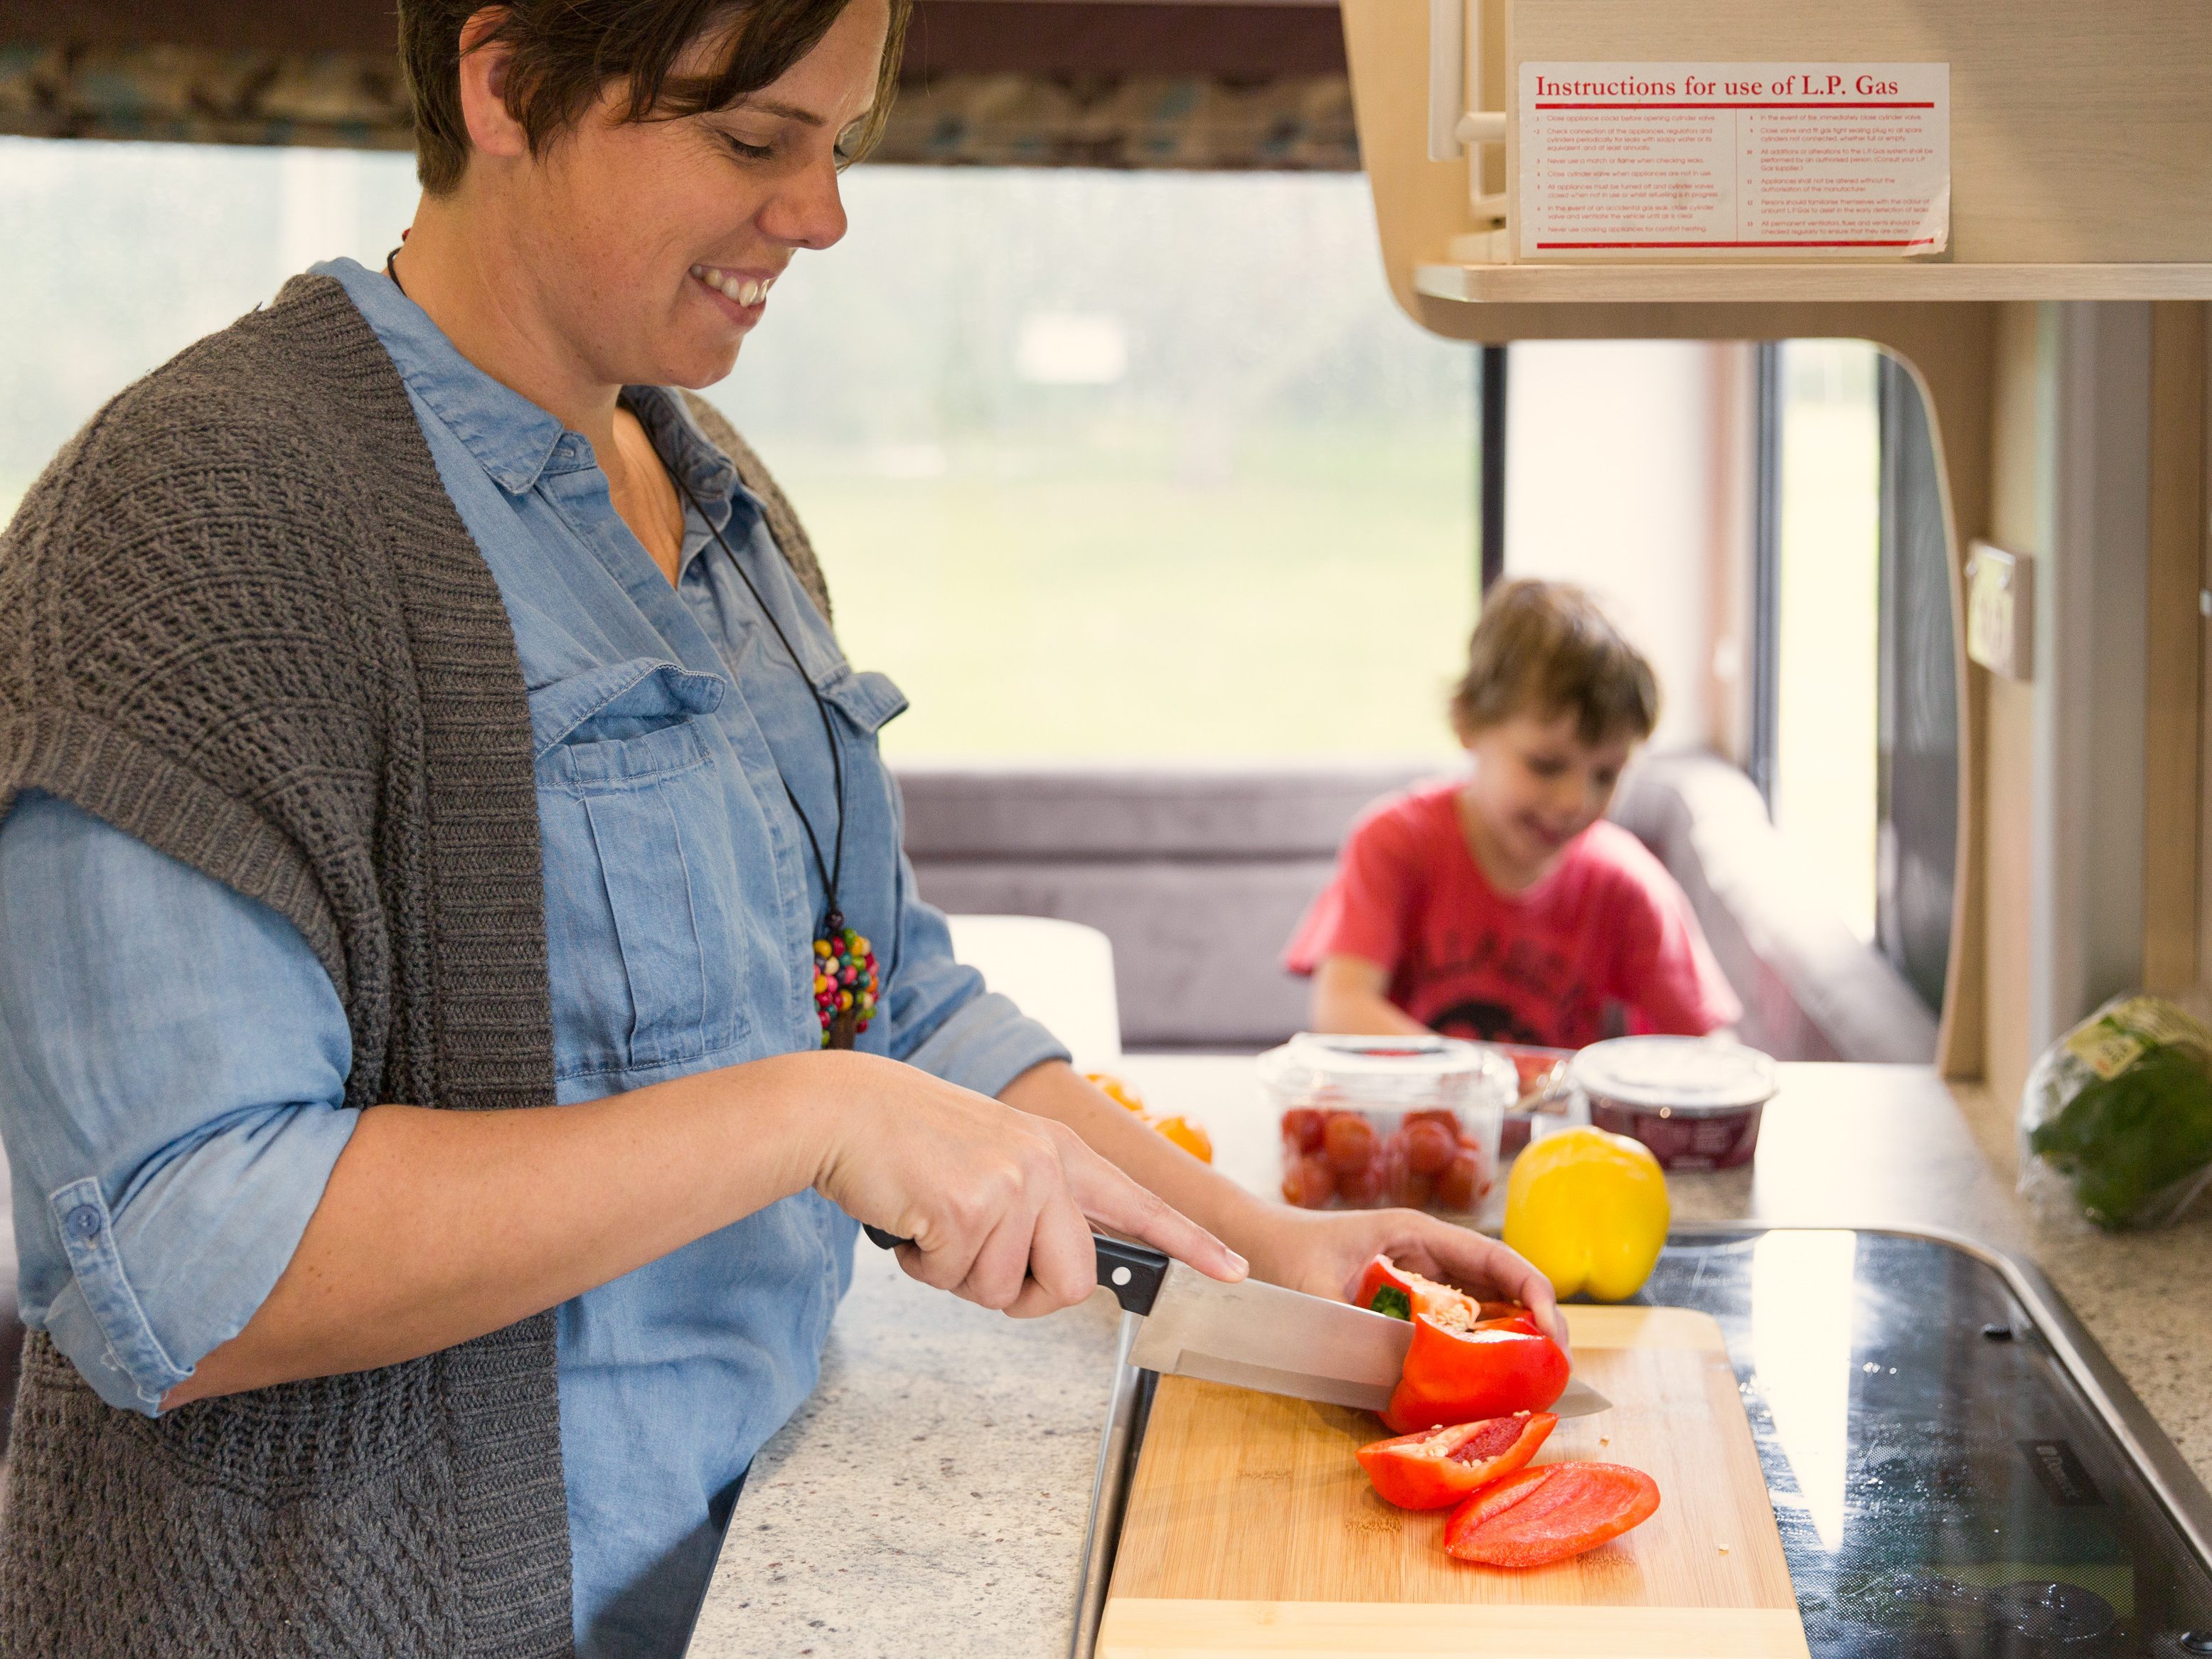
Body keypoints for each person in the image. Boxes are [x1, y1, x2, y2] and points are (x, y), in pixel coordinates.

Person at [0, 4, 1563, 1655]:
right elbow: (177, 1260)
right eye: (753, 142)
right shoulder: (196, 524)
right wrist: (806, 1117)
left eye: (838, 144)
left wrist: (1257, 1253)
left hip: (750, 1582)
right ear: (502, 81)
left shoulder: (716, 494)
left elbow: (888, 1001)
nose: (819, 215)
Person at [1287, 579, 1741, 1049]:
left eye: (1605, 775)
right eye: (1545, 765)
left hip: (1561, 1125)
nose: (1574, 800)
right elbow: (1340, 1007)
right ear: (1467, 723)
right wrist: (1484, 1076)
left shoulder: (1626, 884)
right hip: (1410, 1121)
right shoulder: (1395, 843)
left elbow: (1708, 1047)